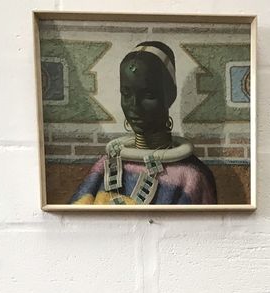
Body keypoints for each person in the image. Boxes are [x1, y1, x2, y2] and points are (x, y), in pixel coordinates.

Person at [71, 40, 217, 206]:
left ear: (170, 96)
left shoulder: (191, 176)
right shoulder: (106, 166)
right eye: (126, 94)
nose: (134, 106)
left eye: (148, 95)